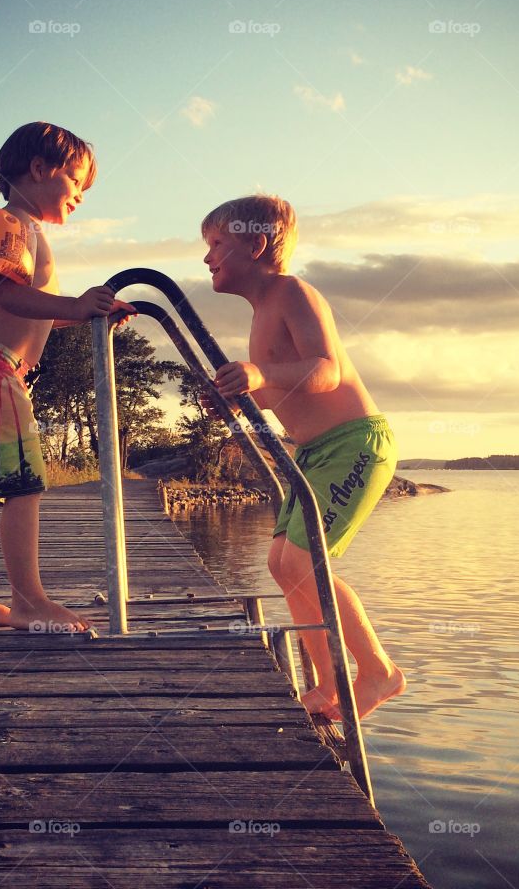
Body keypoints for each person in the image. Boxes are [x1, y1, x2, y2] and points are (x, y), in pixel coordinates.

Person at [200, 195, 406, 719]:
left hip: (355, 443)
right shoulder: (260, 314)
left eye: (217, 245)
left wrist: (260, 374)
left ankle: (380, 673)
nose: (207, 258)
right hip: (313, 453)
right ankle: (332, 684)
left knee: (301, 561)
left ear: (256, 243)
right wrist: (240, 397)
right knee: (280, 564)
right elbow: (282, 392)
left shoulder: (293, 292)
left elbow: (325, 371)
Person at [0, 121, 134, 631]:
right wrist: (73, 301)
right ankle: (28, 601)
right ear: (40, 169)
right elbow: (3, 295)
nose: (80, 197)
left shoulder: (29, 231)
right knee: (23, 486)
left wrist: (91, 313)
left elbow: (37, 311)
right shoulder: (9, 223)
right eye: (76, 182)